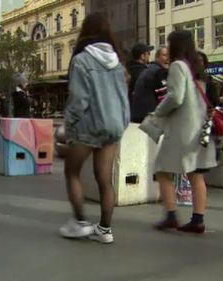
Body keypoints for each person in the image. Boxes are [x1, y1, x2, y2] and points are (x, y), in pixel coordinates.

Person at [59, 12, 130, 244]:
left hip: (88, 127)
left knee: (72, 172)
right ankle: (105, 230)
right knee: (104, 178)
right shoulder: (118, 63)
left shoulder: (81, 60)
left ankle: (80, 223)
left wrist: (68, 125)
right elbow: (122, 97)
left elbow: (79, 100)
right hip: (112, 126)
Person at [152, 30, 217, 234]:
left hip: (181, 129)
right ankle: (198, 219)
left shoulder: (178, 66)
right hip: (198, 128)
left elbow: (175, 97)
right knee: (195, 173)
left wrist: (158, 111)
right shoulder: (197, 67)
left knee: (162, 169)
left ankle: (171, 215)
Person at [131, 46, 170, 122]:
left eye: (169, 56)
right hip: (147, 117)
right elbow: (163, 97)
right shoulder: (158, 72)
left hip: (139, 115)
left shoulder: (150, 69)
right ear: (157, 58)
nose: (168, 58)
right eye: (165, 55)